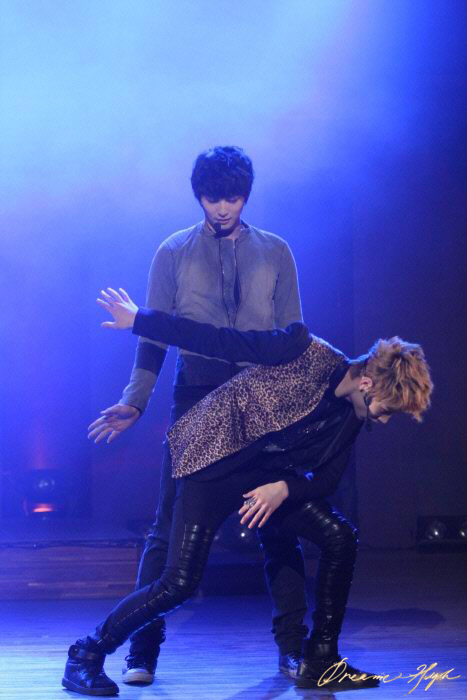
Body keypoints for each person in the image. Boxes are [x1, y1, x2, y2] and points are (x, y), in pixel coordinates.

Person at [62, 289, 433, 695]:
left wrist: (282, 488)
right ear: (366, 382)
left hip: (263, 479)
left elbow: (326, 480)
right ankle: (86, 654)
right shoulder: (302, 349)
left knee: (339, 536)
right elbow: (220, 340)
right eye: (385, 410)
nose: (383, 420)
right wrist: (141, 320)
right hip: (210, 460)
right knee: (180, 583)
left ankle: (321, 660)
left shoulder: (350, 415)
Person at [87, 146, 309, 685]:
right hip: (198, 394)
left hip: (260, 396)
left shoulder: (275, 250)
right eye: (213, 198)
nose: (223, 208)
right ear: (199, 197)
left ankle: (292, 648)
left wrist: (292, 406)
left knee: (278, 523)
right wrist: (136, 399)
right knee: (168, 525)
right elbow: (152, 335)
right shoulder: (173, 252)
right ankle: (142, 650)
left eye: (232, 197)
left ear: (246, 195)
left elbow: (292, 338)